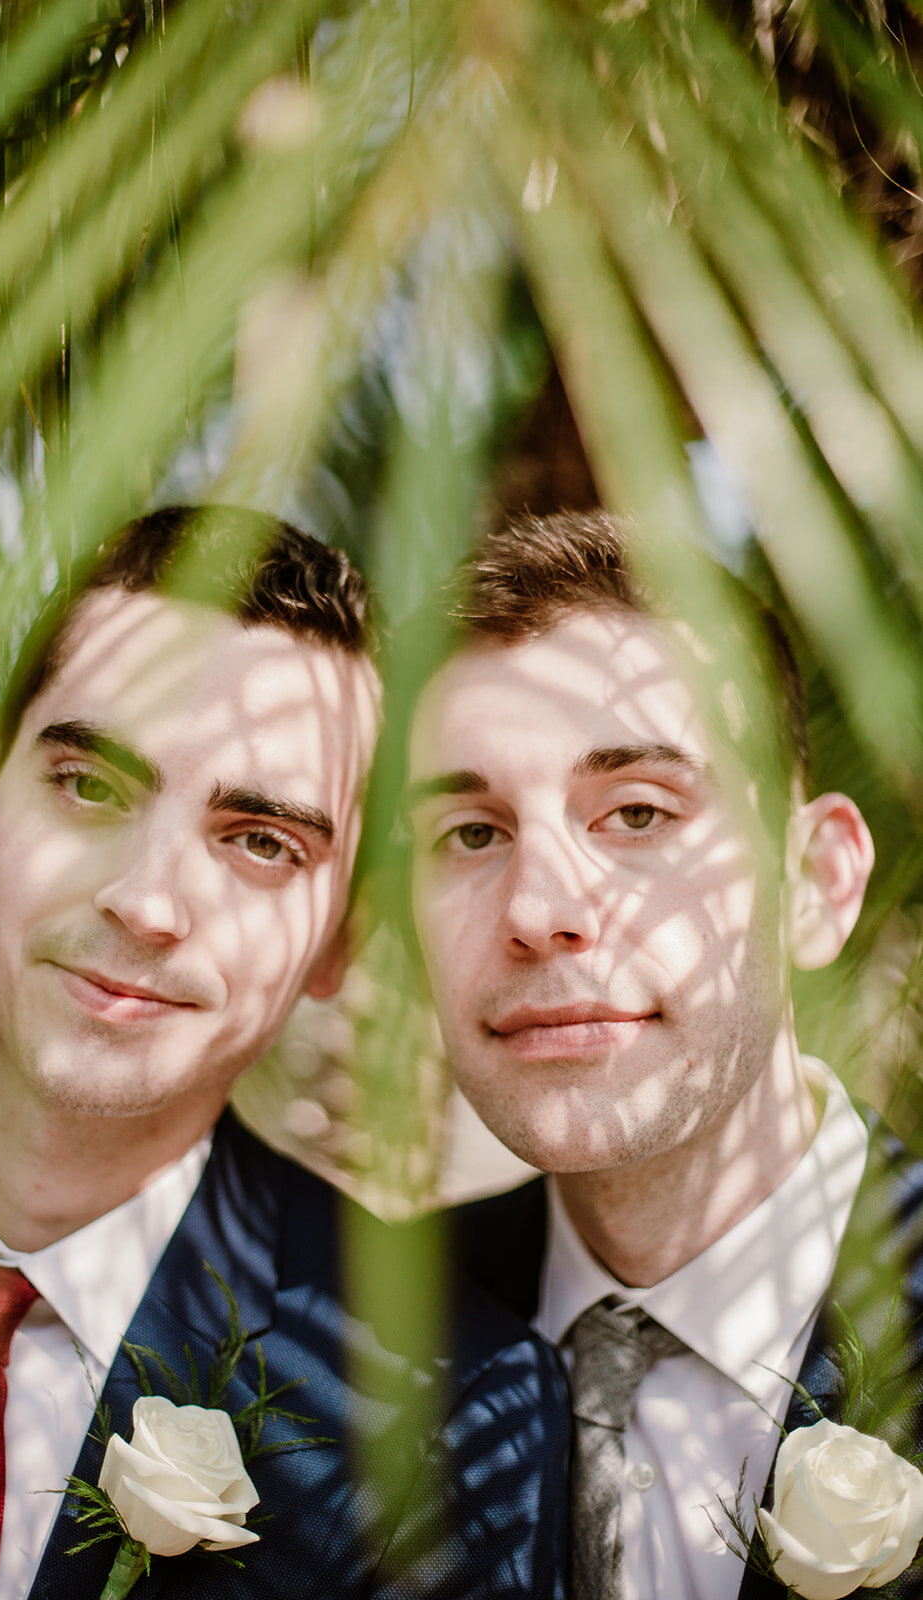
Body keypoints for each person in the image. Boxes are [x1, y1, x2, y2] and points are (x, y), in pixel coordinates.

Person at [0, 505, 563, 1600]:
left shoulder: (438, 1416)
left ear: (342, 940)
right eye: (90, 785)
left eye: (260, 841)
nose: (145, 903)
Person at [400, 508, 923, 1600]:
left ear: (817, 884)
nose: (539, 908)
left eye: (636, 812)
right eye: (470, 833)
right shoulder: (341, 1338)